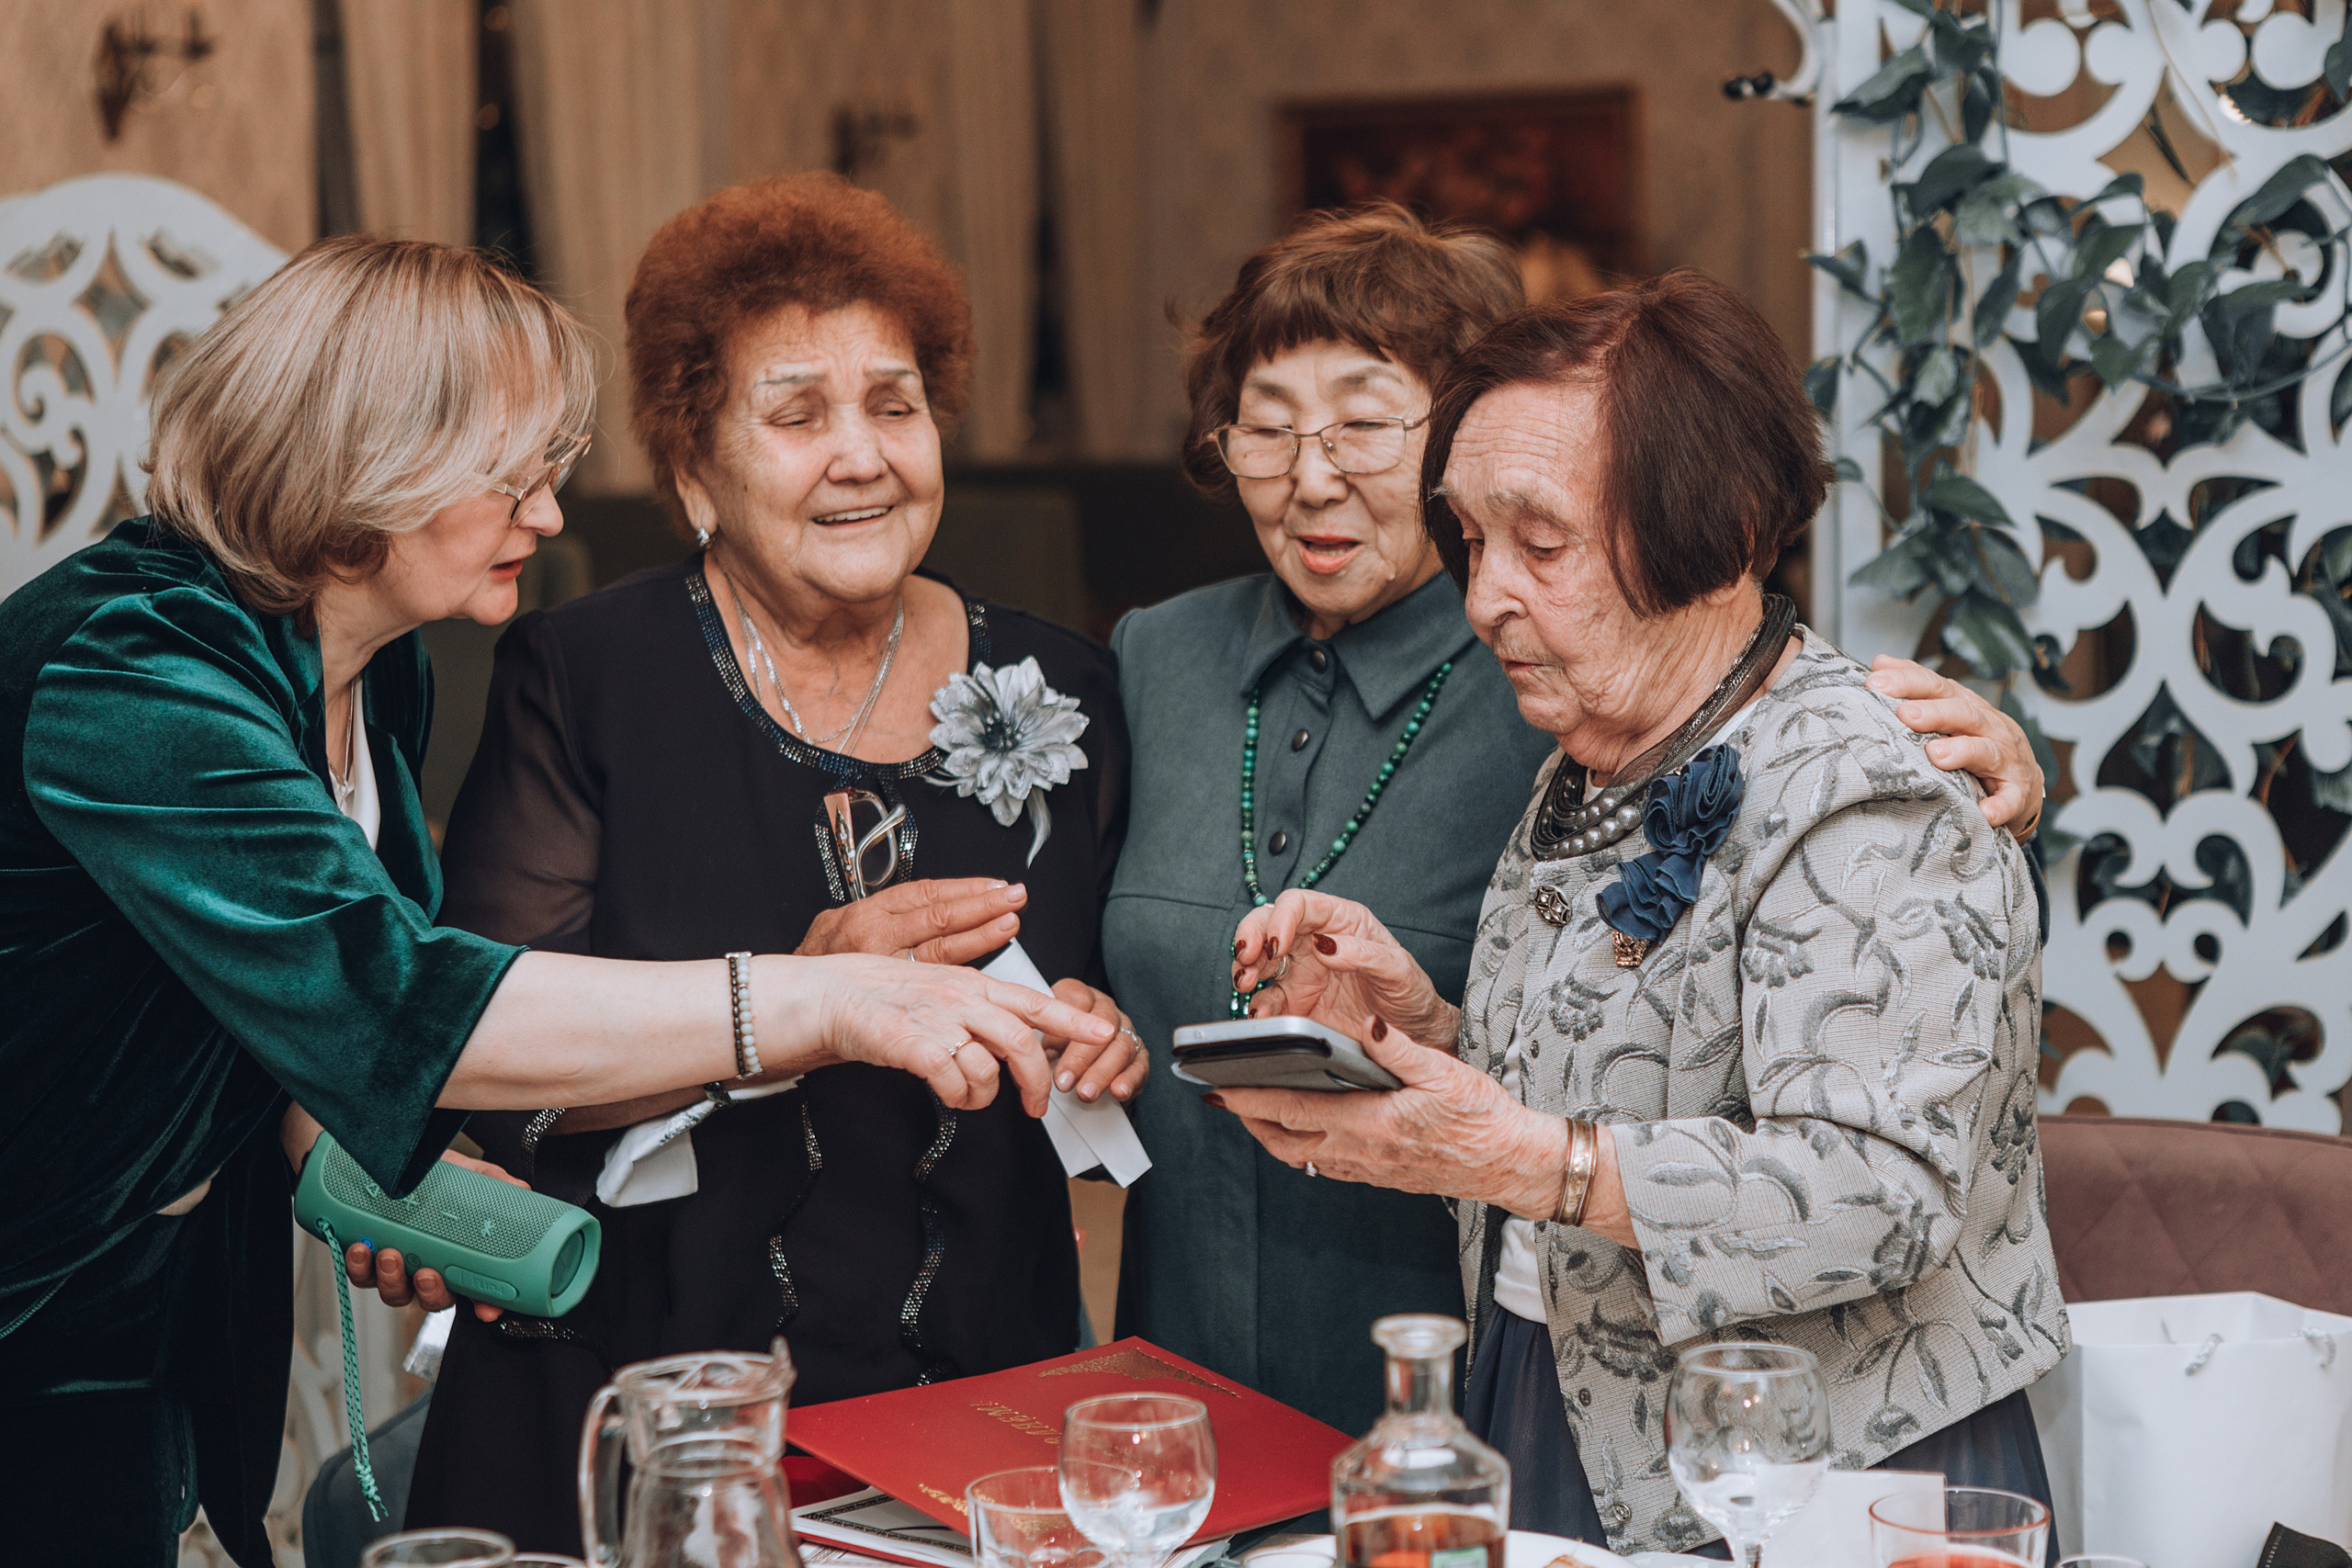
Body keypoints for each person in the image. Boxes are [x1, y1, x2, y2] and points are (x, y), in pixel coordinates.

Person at [0, 236, 1116, 1568]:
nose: (546, 516)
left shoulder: (374, 670)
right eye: (511, 478)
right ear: (374, 467)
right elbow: (401, 997)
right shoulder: (130, 673)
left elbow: (282, 1005)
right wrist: (827, 998)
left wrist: (389, 1172)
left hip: (146, 1298)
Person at [1105, 206, 2048, 1438]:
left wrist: (1528, 1164)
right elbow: (1600, 1070)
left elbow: (1887, 1194)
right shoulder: (1594, 749)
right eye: (1476, 538)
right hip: (1574, 1406)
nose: (1486, 596)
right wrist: (1427, 1022)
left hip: (1801, 1451)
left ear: (1706, 529)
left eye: (1538, 543)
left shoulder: (1854, 781)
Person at [403, 174, 1144, 1555]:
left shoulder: (1067, 685)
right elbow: (494, 1076)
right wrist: (793, 1004)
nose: (860, 455)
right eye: (796, 415)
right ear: (694, 468)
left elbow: (1096, 1018)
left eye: (896, 405)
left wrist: (1102, 1038)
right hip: (647, 1389)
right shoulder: (588, 676)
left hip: (979, 1395)